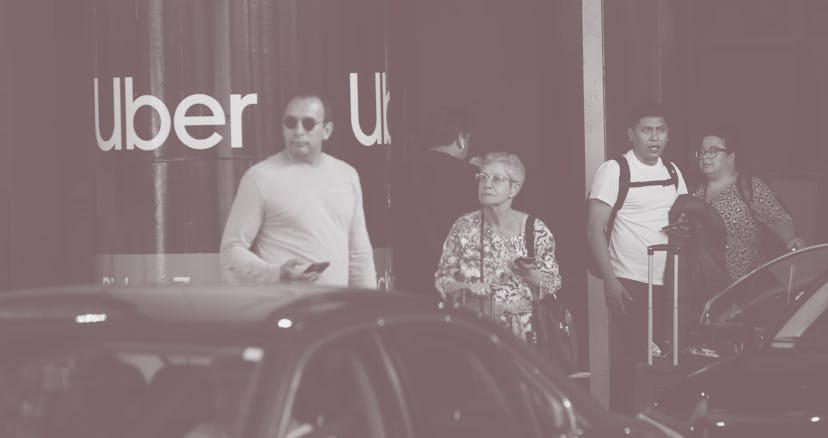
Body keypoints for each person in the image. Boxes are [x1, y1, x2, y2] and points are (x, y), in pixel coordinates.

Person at [586, 102, 688, 414]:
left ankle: (654, 428)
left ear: (668, 135)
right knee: (639, 360)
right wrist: (610, 282)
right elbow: (593, 229)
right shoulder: (616, 169)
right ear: (631, 134)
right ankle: (625, 425)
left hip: (668, 282)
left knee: (663, 363)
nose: (653, 137)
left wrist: (682, 227)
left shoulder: (672, 171)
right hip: (630, 281)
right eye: (646, 130)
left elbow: (683, 216)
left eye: (660, 130)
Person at [220, 92, 376, 288]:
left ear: (327, 130)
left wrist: (370, 307)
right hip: (283, 308)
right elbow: (231, 251)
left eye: (309, 124)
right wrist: (276, 273)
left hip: (334, 309)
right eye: (290, 122)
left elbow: (359, 255)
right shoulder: (260, 178)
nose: (298, 131)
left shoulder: (347, 175)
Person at [434, 152, 562, 339]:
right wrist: (466, 287)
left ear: (514, 189)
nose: (487, 184)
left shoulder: (535, 230)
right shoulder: (463, 226)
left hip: (524, 337)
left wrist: (528, 274)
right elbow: (442, 280)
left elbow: (554, 286)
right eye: (482, 178)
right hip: (475, 332)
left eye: (497, 179)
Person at [688, 127, 804, 282]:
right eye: (702, 152)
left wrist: (790, 240)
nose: (705, 156)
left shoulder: (749, 186)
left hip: (746, 285)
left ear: (731, 156)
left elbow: (777, 217)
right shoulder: (695, 191)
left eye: (713, 151)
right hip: (705, 285)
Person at [406, 107, 480, 298]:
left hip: (408, 277)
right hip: (456, 282)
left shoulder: (403, 170)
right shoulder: (473, 178)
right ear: (461, 139)